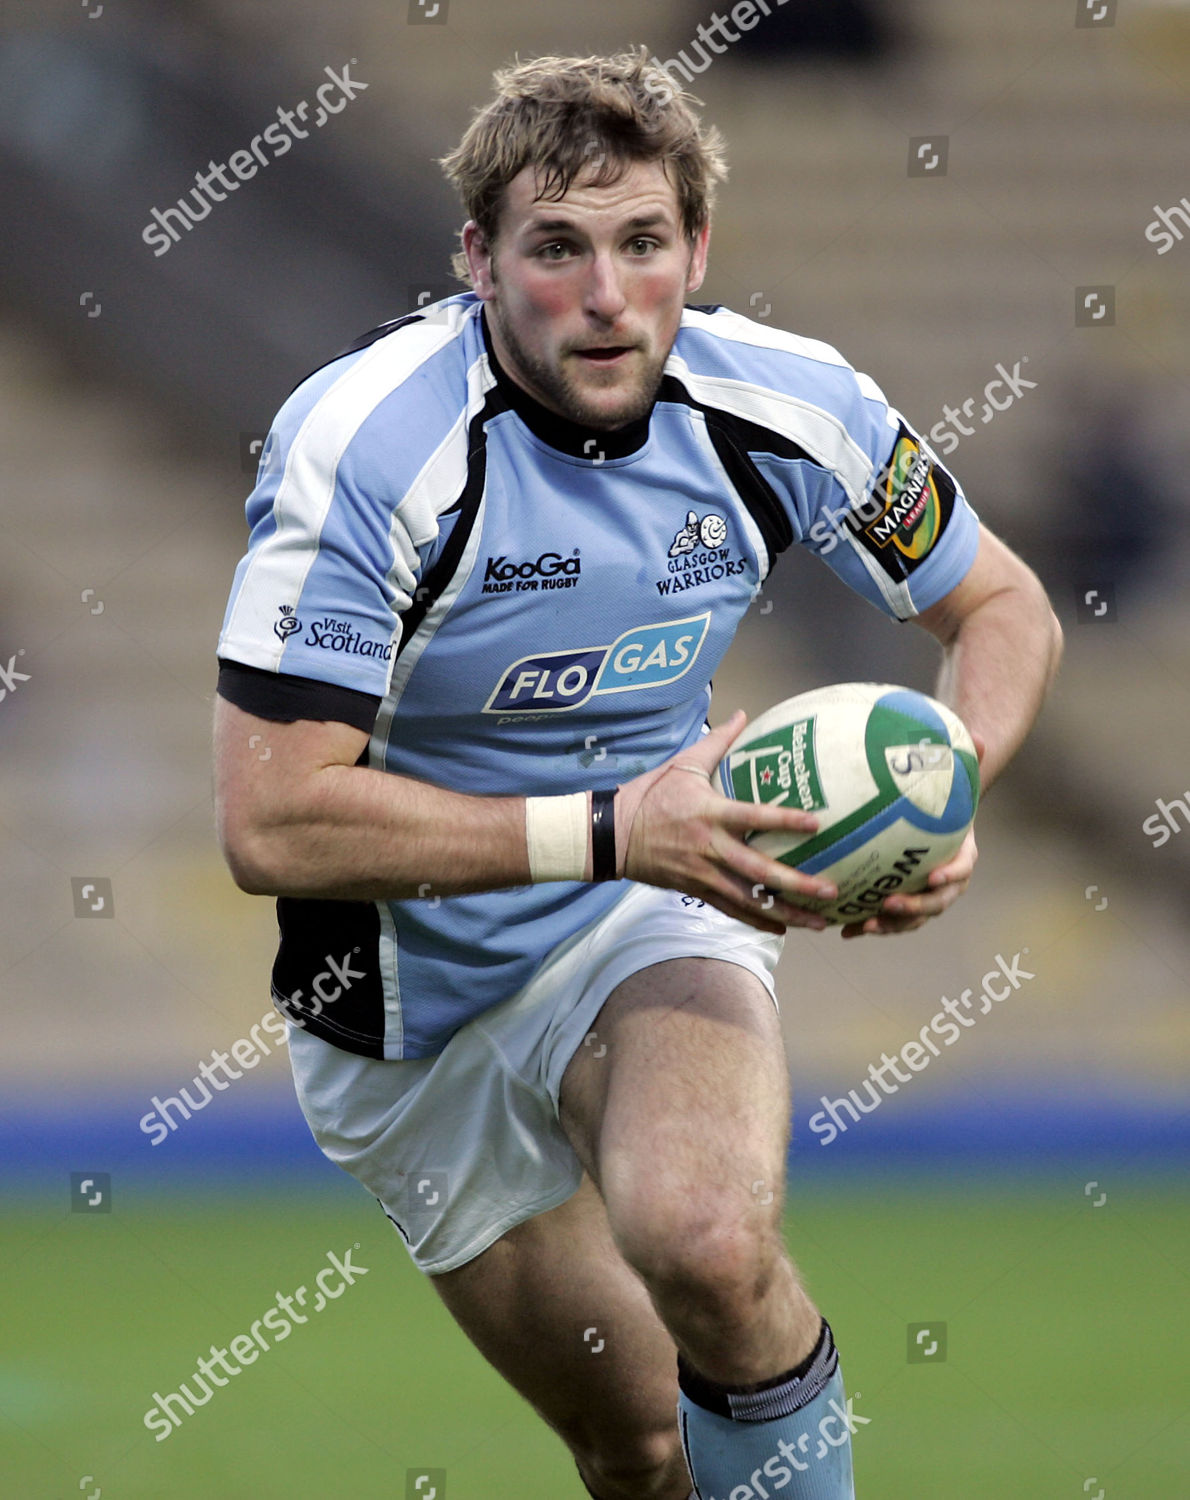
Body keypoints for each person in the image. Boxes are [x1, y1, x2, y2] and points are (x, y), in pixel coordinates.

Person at [212, 47, 1062, 1500]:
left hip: (647, 907)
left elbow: (1003, 608)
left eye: (641, 243)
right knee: (638, 1438)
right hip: (400, 1013)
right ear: (477, 260)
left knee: (709, 1247)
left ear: (697, 249)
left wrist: (943, 787)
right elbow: (272, 821)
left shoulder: (789, 402)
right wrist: (612, 827)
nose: (605, 294)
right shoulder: (368, 445)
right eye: (555, 247)